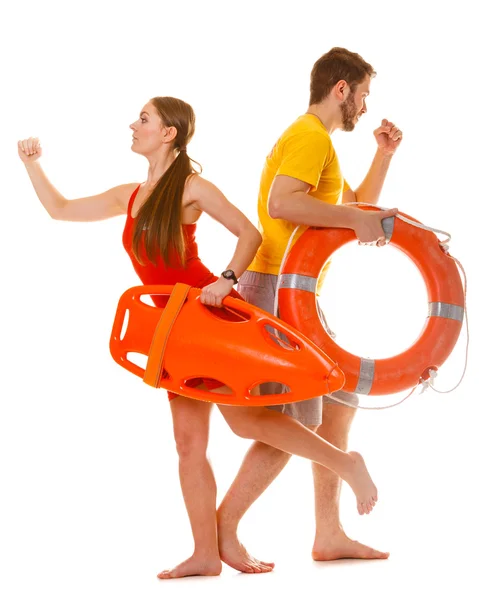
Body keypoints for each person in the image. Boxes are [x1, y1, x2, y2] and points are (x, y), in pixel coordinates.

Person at [18, 95, 382, 580]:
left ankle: (346, 463)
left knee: (247, 424)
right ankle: (206, 554)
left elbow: (249, 233)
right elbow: (60, 209)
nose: (133, 124)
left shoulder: (192, 187)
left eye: (143, 119)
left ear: (168, 133)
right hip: (170, 332)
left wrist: (226, 280)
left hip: (206, 320)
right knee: (188, 446)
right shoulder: (129, 194)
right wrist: (32, 164)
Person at [216, 47, 402, 572]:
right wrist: (348, 216)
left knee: (340, 402)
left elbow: (353, 206)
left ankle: (329, 532)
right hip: (275, 288)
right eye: (362, 95)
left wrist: (383, 154)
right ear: (340, 89)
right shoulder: (309, 137)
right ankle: (224, 525)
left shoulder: (320, 146)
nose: (364, 107)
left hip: (298, 293)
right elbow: (281, 204)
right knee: (294, 420)